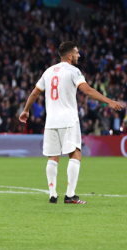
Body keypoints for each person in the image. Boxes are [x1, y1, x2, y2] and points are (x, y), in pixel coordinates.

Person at [20, 41, 123, 204]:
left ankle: (52, 195)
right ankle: (70, 195)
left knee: (52, 158)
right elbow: (87, 90)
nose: (79, 55)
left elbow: (34, 93)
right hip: (68, 120)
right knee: (76, 154)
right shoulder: (74, 71)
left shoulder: (48, 71)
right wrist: (109, 101)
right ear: (69, 56)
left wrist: (25, 110)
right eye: (76, 52)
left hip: (51, 121)